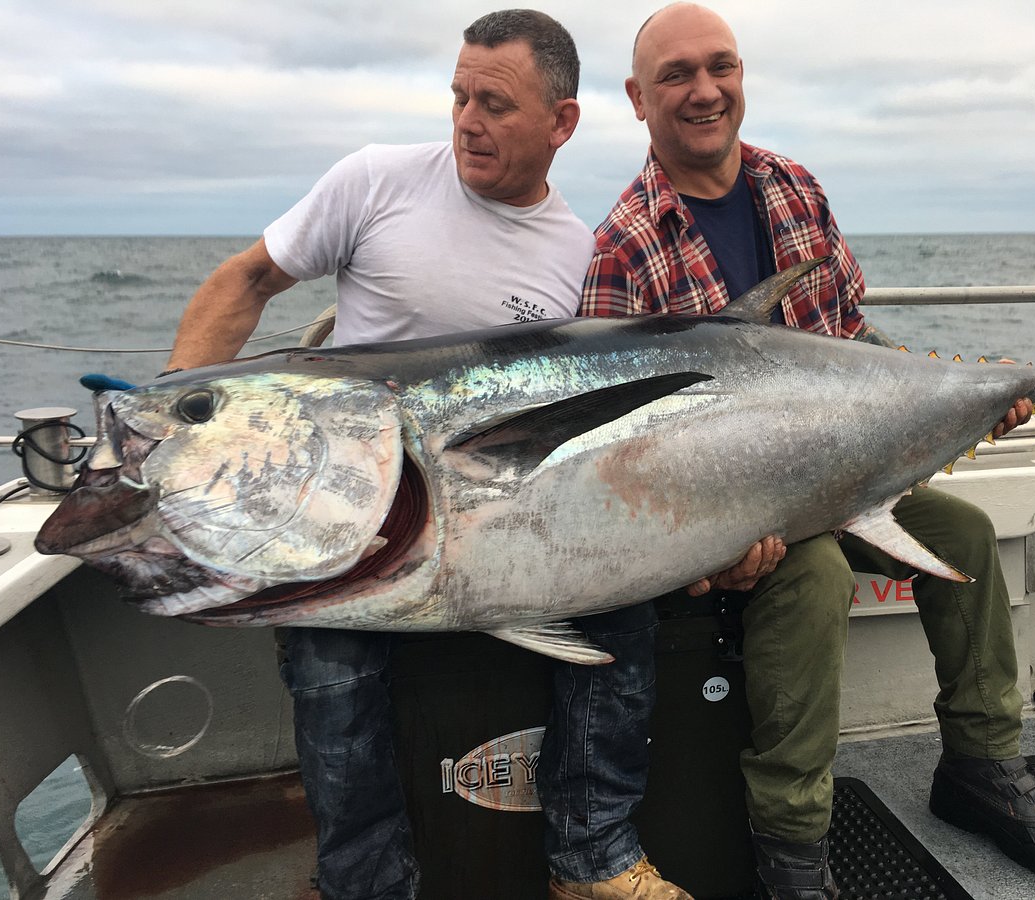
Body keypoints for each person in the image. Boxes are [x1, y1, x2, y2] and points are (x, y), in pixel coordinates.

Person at [579, 4, 1035, 898]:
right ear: (637, 99)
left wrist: (970, 405)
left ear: (742, 76)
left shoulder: (792, 185)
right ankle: (791, 847)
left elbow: (853, 343)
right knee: (812, 574)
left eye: (723, 67)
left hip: (846, 477)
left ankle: (980, 771)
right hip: (739, 518)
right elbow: (615, 454)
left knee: (967, 535)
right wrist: (706, 558)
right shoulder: (623, 245)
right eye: (676, 76)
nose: (705, 91)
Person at [164, 10, 690, 900]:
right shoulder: (375, 182)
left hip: (501, 515)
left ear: (562, 123)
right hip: (350, 510)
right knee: (331, 659)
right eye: (458, 96)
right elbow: (248, 281)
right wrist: (184, 420)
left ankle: (591, 858)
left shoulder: (577, 254)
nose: (466, 121)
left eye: (495, 103)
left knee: (627, 606)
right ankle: (365, 884)